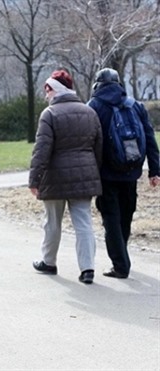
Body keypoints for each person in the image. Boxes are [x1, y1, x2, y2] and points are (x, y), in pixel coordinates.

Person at [29, 69, 103, 284]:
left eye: (47, 90)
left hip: (55, 177)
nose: (45, 95)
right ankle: (87, 268)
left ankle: (49, 261)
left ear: (54, 89)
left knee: (52, 222)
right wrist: (93, 171)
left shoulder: (49, 114)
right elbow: (99, 147)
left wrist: (34, 179)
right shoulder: (89, 112)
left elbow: (41, 150)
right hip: (85, 174)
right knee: (84, 222)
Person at [88, 68, 160, 279]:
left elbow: (90, 141)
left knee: (111, 218)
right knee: (126, 216)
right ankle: (122, 255)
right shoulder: (135, 105)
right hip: (131, 171)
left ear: (98, 84)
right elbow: (150, 139)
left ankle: (120, 265)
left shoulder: (94, 106)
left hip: (106, 174)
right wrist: (154, 170)